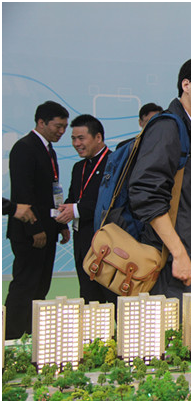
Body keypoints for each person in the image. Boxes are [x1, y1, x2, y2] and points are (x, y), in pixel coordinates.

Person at [128, 56, 191, 301]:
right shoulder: (168, 127)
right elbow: (145, 194)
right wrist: (178, 252)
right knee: (164, 324)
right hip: (163, 258)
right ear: (186, 85)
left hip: (176, 257)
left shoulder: (187, 130)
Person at [5, 101, 71, 339]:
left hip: (48, 229)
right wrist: (35, 229)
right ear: (41, 122)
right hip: (30, 232)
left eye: (64, 127)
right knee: (25, 285)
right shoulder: (24, 147)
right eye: (58, 126)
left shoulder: (48, 149)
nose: (62, 131)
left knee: (41, 286)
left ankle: (31, 336)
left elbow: (53, 192)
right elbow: (23, 194)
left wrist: (61, 224)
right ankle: (10, 338)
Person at [55, 114, 116, 303]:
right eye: (73, 138)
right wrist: (62, 215)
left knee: (113, 299)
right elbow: (73, 199)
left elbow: (112, 202)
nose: (76, 143)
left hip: (109, 245)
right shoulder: (78, 167)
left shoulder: (115, 163)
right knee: (90, 300)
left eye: (81, 138)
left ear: (98, 137)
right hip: (82, 243)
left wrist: (76, 210)